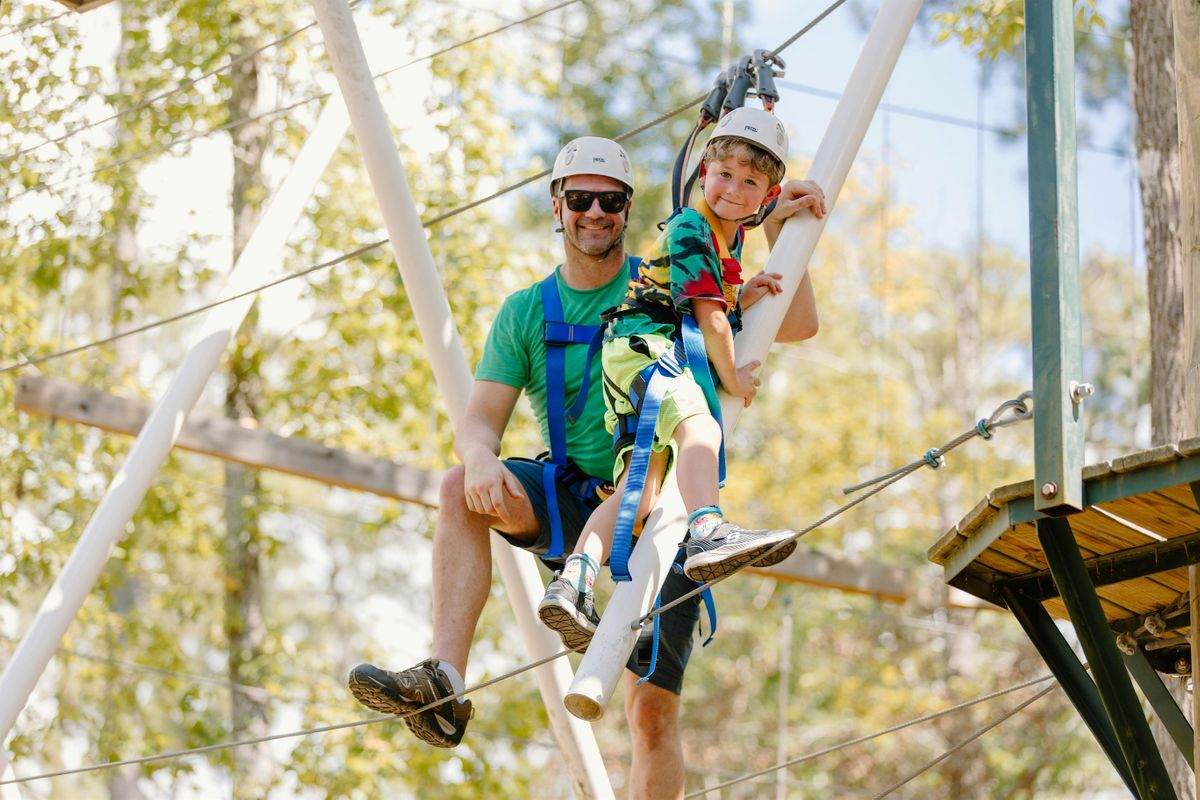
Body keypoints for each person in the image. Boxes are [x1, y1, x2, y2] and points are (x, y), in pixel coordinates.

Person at [347, 133, 825, 799]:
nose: (594, 213)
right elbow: (480, 418)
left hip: (665, 512)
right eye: (580, 200)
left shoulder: (661, 278)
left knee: (650, 712)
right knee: (461, 484)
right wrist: (482, 456)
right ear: (557, 206)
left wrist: (777, 226)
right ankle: (443, 684)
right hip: (576, 500)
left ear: (628, 209)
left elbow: (794, 324)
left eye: (609, 201)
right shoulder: (526, 312)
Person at [538, 107, 823, 660]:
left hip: (635, 356)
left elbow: (722, 299)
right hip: (650, 347)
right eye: (724, 175)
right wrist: (732, 376)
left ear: (767, 192)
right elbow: (709, 318)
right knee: (702, 430)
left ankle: (573, 580)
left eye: (751, 183)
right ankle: (707, 529)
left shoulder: (726, 235)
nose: (734, 191)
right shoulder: (694, 229)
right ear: (703, 174)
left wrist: (767, 243)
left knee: (637, 495)